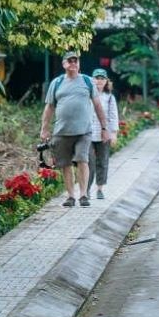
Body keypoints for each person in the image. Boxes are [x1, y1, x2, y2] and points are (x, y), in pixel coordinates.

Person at [40, 51, 110, 208]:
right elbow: (49, 107)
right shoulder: (56, 83)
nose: (73, 63)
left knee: (82, 160)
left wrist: (105, 128)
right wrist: (44, 129)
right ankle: (71, 196)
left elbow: (98, 105)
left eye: (75, 61)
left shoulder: (86, 81)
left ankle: (83, 194)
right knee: (65, 164)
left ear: (79, 63)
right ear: (64, 64)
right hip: (62, 131)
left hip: (83, 131)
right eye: (70, 61)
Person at [87, 68, 119, 200]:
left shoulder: (109, 98)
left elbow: (113, 116)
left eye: (102, 78)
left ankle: (99, 188)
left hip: (103, 134)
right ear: (92, 80)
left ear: (106, 81)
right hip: (87, 134)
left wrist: (114, 134)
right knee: (88, 162)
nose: (99, 81)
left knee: (103, 162)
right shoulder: (87, 95)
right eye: (96, 78)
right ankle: (86, 189)